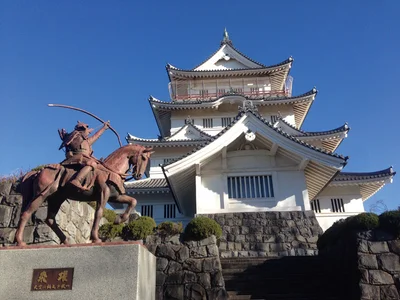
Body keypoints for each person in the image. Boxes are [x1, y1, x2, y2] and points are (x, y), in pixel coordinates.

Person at [58, 120, 110, 191]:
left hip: (84, 157)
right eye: (86, 129)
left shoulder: (86, 140)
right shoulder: (75, 137)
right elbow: (74, 143)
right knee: (92, 163)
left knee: (103, 168)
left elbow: (96, 136)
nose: (88, 131)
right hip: (76, 157)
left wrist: (104, 128)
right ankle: (77, 180)